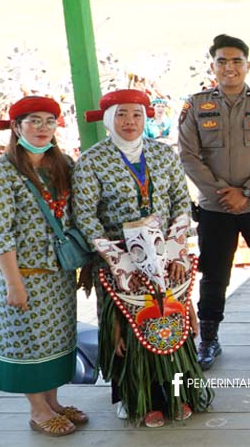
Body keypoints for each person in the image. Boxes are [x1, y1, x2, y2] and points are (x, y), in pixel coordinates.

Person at [72, 89, 210, 427]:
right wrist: (117, 259)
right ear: (109, 119)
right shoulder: (92, 161)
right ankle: (134, 398)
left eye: (136, 114)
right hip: (121, 263)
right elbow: (85, 216)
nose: (129, 122)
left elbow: (180, 201)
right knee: (128, 332)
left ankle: (177, 395)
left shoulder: (163, 154)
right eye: (121, 114)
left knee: (169, 323)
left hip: (165, 258)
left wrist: (175, 250)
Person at [178, 34, 250, 368]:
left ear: (248, 65)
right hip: (215, 208)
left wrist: (246, 192)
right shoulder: (195, 105)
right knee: (214, 275)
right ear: (212, 65)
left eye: (236, 61)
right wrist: (222, 192)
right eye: (222, 61)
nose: (229, 68)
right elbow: (188, 156)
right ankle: (209, 340)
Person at [0, 97, 83, 435]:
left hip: (59, 274)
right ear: (16, 126)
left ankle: (53, 402)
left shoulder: (62, 164)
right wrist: (14, 283)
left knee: (55, 341)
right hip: (25, 275)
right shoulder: (2, 172)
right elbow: (0, 232)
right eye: (34, 120)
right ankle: (38, 410)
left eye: (49, 121)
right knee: (28, 342)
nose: (43, 128)